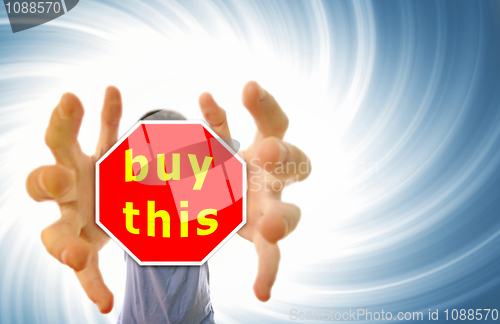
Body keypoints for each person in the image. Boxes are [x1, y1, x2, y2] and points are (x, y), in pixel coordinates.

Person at [25, 81, 311, 323]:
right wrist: (98, 192)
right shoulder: (123, 200)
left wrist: (242, 183)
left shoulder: (203, 196)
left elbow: (237, 190)